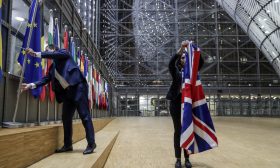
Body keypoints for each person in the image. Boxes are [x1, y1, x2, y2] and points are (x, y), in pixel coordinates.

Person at [21, 44, 96, 155]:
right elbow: (45, 79)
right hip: (67, 94)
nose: (47, 52)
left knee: (84, 116)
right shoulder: (52, 68)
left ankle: (91, 144)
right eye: (45, 51)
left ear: (54, 50)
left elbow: (54, 54)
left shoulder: (64, 53)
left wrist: (36, 54)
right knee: (66, 118)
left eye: (48, 50)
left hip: (78, 87)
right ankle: (67, 145)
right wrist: (31, 85)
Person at [166, 41, 204, 168]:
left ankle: (187, 159)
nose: (184, 59)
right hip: (176, 104)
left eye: (186, 57)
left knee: (187, 129)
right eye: (182, 57)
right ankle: (178, 159)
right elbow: (170, 64)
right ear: (180, 60)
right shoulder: (176, 72)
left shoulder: (192, 73)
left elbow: (201, 62)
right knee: (178, 131)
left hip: (188, 105)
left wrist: (194, 48)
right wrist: (181, 49)